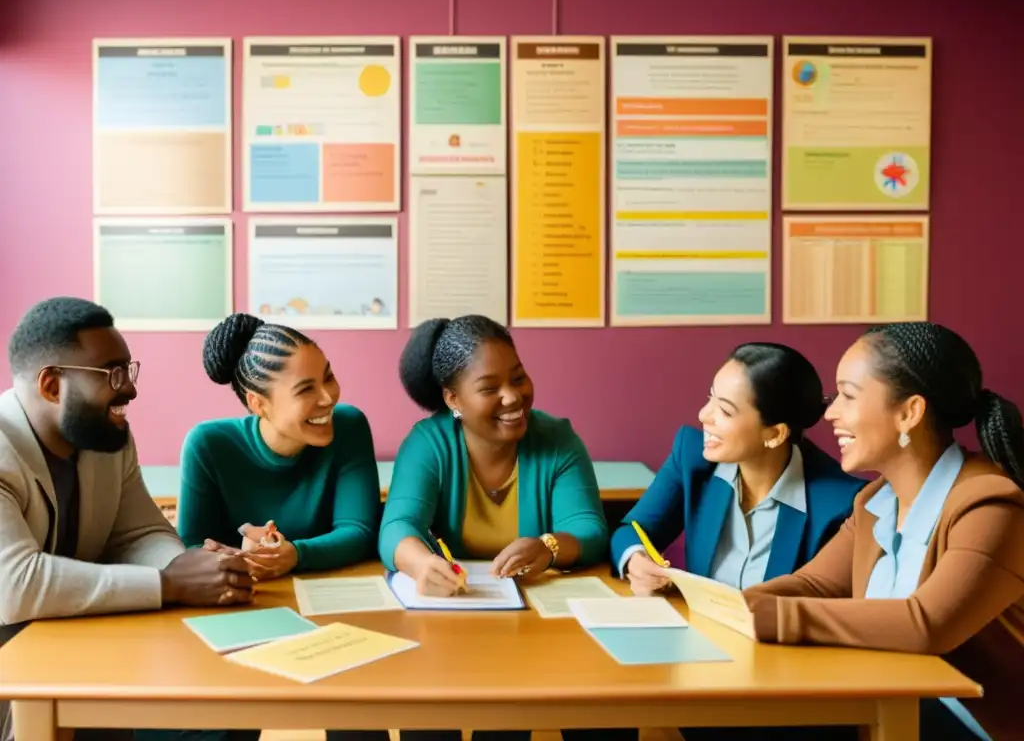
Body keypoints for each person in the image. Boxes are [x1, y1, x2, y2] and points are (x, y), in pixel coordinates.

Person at [724, 322, 1024, 741]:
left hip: (967, 724)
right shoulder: (874, 503)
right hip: (893, 699)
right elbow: (813, 584)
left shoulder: (991, 504)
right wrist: (726, 608)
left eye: (848, 395)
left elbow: (926, 624)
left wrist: (765, 617)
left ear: (909, 412)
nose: (830, 413)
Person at [0, 298, 253, 741]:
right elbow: (15, 586)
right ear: (52, 386)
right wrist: (173, 585)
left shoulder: (107, 436)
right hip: (16, 673)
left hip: (79, 654)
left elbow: (139, 532)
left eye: (129, 371)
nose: (131, 391)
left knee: (229, 709)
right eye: (112, 374)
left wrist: (188, 568)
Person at [378, 315, 628, 741]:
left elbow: (588, 527)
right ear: (453, 397)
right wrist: (420, 565)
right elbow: (397, 527)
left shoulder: (556, 439)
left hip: (533, 627)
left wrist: (548, 546)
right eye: (490, 388)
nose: (513, 397)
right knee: (428, 718)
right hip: (449, 623)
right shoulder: (428, 442)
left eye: (519, 377)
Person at [142, 313, 387, 741]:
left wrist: (295, 554)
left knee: (358, 719)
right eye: (306, 390)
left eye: (328, 377)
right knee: (221, 721)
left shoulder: (348, 426)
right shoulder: (208, 443)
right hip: (249, 611)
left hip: (338, 615)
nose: (328, 397)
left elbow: (359, 530)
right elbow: (191, 547)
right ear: (258, 403)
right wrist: (238, 552)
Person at [611, 343, 865, 597]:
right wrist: (635, 558)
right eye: (710, 398)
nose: (703, 415)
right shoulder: (692, 457)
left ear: (775, 434)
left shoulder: (840, 504)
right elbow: (631, 530)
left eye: (725, 410)